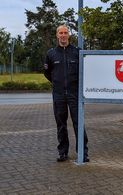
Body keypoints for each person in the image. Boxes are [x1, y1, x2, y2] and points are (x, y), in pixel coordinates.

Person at [44, 25, 89, 163]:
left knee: (78, 123)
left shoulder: (77, 52)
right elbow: (47, 73)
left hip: (74, 94)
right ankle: (63, 152)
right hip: (58, 95)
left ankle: (83, 152)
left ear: (69, 35)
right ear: (57, 35)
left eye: (65, 32)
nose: (63, 35)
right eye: (60, 33)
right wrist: (57, 83)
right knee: (61, 124)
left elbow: (84, 71)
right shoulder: (51, 54)